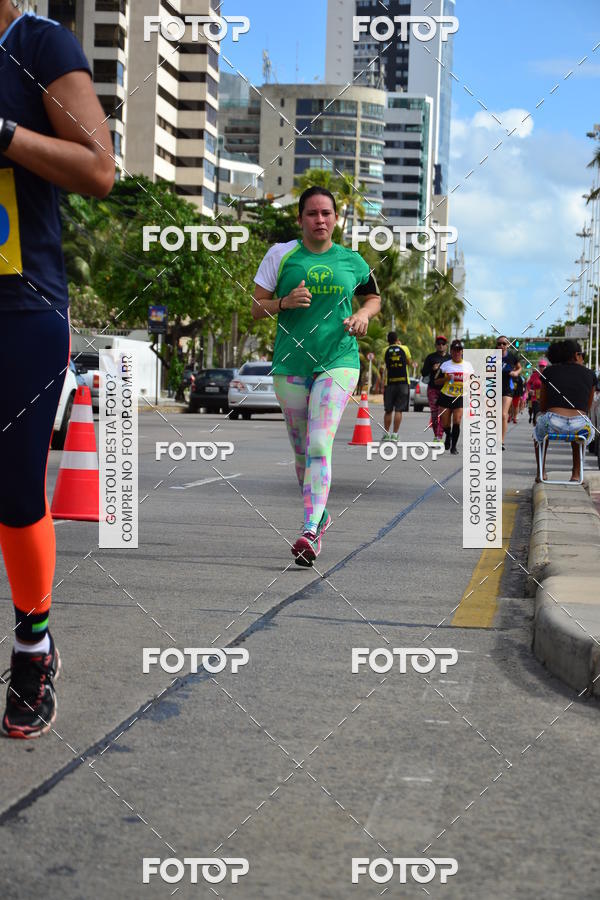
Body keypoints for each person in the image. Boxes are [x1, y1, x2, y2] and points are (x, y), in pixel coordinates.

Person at [0, 4, 114, 737]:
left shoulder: (35, 44)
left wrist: (5, 135)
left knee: (13, 490)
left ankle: (33, 644)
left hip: (20, 303)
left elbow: (99, 169)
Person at [252, 186, 381, 566]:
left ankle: (310, 528)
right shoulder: (281, 255)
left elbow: (373, 297)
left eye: (326, 213)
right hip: (291, 364)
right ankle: (320, 514)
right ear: (301, 219)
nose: (320, 220)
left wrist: (362, 316)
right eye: (312, 213)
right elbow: (257, 307)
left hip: (338, 361)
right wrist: (283, 303)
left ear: (336, 219)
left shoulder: (352, 259)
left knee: (320, 443)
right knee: (302, 451)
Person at [534, 340, 595, 482]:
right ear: (576, 355)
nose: (583, 358)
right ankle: (576, 474)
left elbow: (543, 406)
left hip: (553, 423)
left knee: (538, 432)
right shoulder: (590, 374)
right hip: (580, 425)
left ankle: (541, 472)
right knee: (579, 433)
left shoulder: (548, 371)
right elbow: (587, 407)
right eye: (582, 355)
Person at [435, 339, 474, 454]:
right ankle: (448, 435)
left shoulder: (468, 365)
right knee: (445, 423)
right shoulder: (445, 365)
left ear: (462, 352)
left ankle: (454, 447)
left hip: (460, 396)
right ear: (451, 351)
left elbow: (474, 381)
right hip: (446, 396)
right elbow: (436, 381)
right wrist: (446, 378)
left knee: (457, 421)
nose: (457, 353)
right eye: (454, 350)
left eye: (459, 350)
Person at [382, 331, 411, 440]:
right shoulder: (405, 348)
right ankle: (394, 434)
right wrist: (400, 345)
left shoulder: (385, 350)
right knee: (399, 410)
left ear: (387, 340)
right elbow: (408, 362)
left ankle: (386, 434)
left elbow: (386, 362)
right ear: (397, 339)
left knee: (388, 410)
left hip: (389, 383)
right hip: (403, 383)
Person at [421, 335, 450, 442]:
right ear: (435, 345)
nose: (441, 346)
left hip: (446, 389)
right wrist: (432, 368)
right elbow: (423, 373)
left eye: (443, 344)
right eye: (438, 344)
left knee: (442, 413)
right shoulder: (431, 357)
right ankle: (436, 435)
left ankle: (439, 436)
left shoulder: (450, 358)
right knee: (434, 414)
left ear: (446, 346)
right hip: (433, 388)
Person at [497, 336, 522, 450]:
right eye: (499, 344)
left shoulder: (512, 356)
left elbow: (519, 367)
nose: (501, 346)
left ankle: (501, 441)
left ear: (507, 345)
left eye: (504, 344)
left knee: (503, 415)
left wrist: (516, 373)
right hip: (494, 388)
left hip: (508, 388)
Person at [527, 360, 547, 424]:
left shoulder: (549, 374)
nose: (542, 368)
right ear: (538, 367)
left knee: (543, 414)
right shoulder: (534, 375)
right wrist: (529, 390)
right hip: (535, 396)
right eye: (540, 366)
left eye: (543, 366)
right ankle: (532, 418)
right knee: (535, 411)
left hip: (545, 396)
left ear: (545, 367)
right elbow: (528, 383)